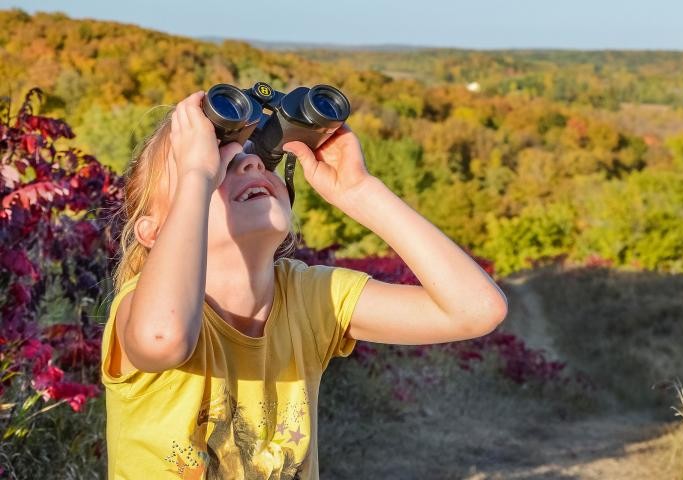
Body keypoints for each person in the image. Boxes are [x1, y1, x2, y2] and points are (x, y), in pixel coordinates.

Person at [101, 90, 508, 479]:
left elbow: (475, 309)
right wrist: (197, 173)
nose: (250, 165)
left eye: (259, 158)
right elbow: (162, 338)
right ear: (152, 232)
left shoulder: (308, 299)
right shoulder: (138, 308)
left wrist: (360, 192)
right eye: (218, 164)